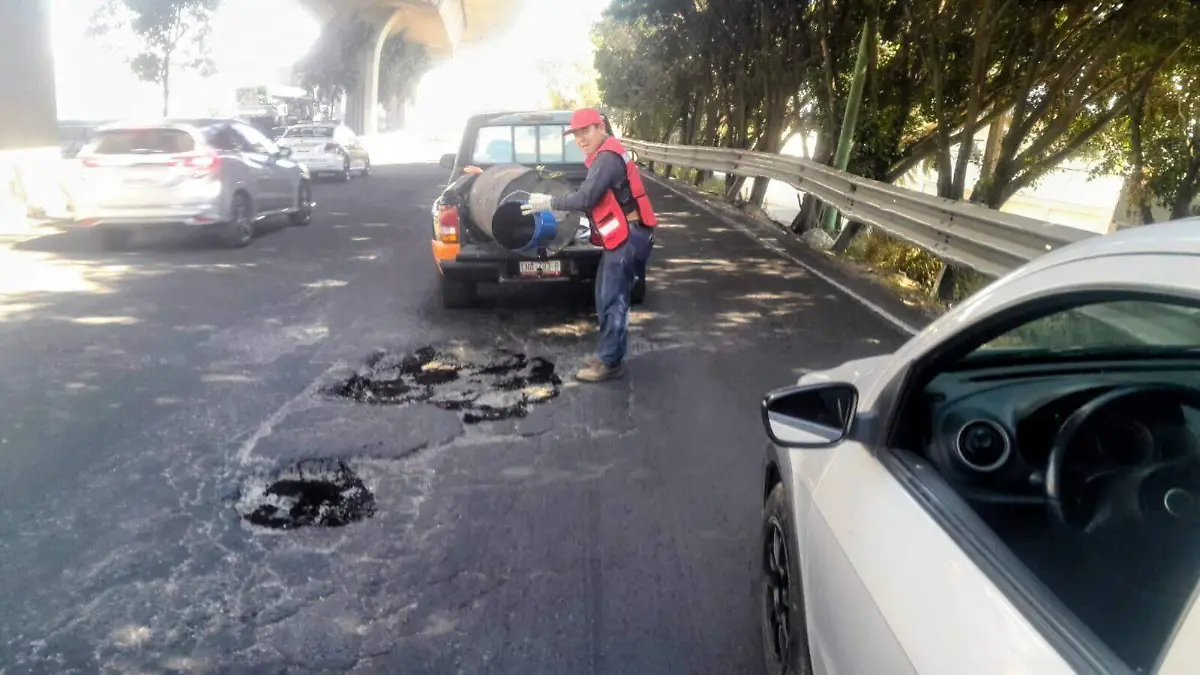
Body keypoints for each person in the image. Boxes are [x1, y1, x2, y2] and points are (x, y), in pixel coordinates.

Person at [522, 108, 657, 383]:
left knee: (613, 300)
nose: (580, 139)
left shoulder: (607, 159)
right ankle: (608, 354)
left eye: (585, 131)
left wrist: (550, 202)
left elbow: (586, 198)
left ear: (600, 127)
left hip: (630, 237)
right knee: (604, 295)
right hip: (622, 236)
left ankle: (610, 363)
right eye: (575, 134)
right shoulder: (603, 155)